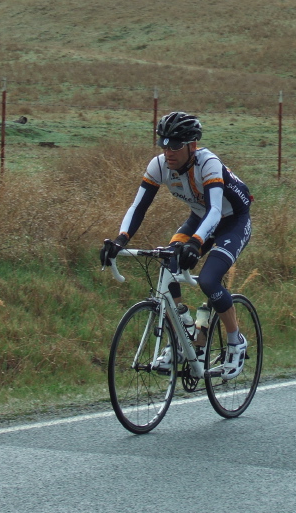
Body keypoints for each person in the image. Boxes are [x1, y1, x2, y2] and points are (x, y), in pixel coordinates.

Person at [100, 111, 253, 380]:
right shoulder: (159, 166)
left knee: (208, 279)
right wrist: (120, 240)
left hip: (231, 221)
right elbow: (138, 207)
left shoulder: (208, 164)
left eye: (175, 145)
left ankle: (236, 342)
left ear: (192, 145)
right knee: (168, 262)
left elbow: (216, 210)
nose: (168, 151)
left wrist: (195, 243)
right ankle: (185, 335)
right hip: (199, 218)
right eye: (164, 143)